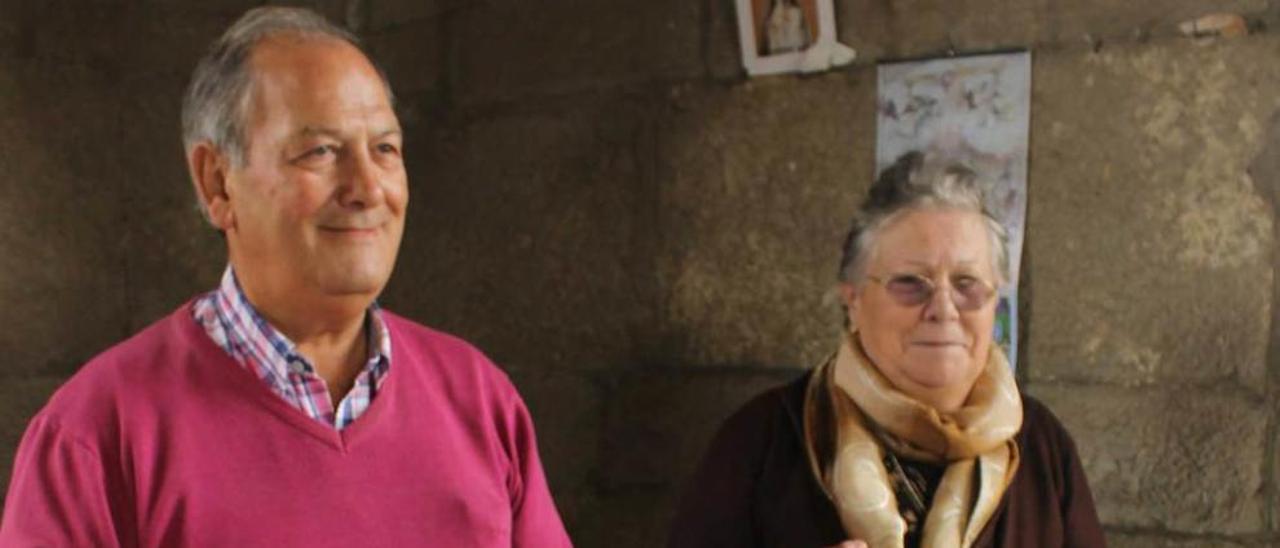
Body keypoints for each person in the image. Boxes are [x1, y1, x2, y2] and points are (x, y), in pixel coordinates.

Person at [0, 7, 571, 546]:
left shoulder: (480, 400)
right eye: (320, 152)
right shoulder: (93, 437)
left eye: (385, 149)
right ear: (218, 184)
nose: (368, 188)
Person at [668, 151, 1105, 547]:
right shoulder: (763, 440)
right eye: (911, 284)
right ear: (853, 300)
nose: (943, 309)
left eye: (968, 284)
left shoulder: (1041, 446)